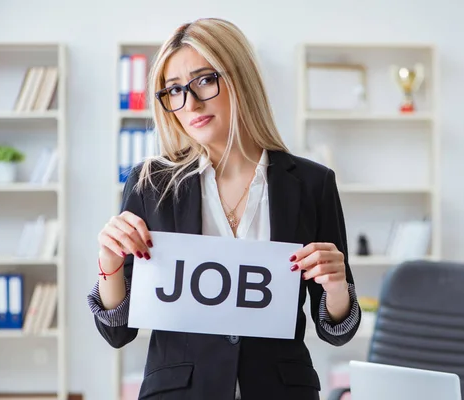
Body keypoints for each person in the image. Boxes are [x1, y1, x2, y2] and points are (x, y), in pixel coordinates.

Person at [87, 17, 361, 400]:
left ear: (240, 77)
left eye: (204, 80)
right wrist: (109, 262)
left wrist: (336, 287)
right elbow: (117, 331)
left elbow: (337, 329)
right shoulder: (150, 183)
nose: (191, 103)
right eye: (174, 90)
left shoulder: (313, 184)